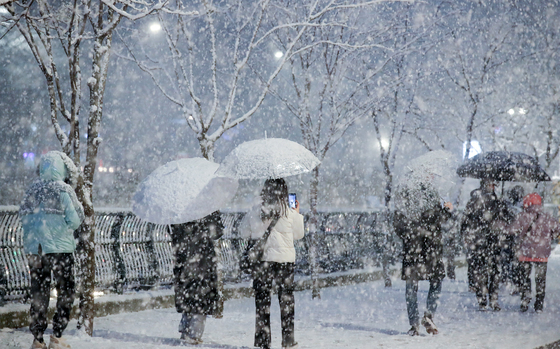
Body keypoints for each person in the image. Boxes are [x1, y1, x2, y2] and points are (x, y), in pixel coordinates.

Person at [19, 151, 84, 349]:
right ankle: (57, 334)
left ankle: (37, 338)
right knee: (65, 290)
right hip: (60, 250)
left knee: (39, 293)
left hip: (36, 250)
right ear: (61, 168)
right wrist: (61, 229)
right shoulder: (63, 190)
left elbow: (23, 218)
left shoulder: (32, 190)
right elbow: (75, 219)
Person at [240, 178, 304, 349]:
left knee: (262, 303)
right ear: (284, 192)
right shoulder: (289, 212)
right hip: (285, 262)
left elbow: (243, 232)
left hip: (263, 262)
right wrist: (296, 212)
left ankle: (263, 341)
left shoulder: (256, 211)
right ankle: (288, 340)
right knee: (287, 301)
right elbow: (299, 234)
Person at [393, 178, 453, 336]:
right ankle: (428, 315)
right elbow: (441, 219)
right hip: (430, 250)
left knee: (411, 289)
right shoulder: (432, 198)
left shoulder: (406, 200)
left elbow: (397, 225)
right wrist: (447, 209)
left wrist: (409, 234)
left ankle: (414, 324)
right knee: (436, 282)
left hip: (412, 250)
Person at [169, 211, 224, 345]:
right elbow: (217, 232)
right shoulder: (207, 207)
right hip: (203, 257)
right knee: (201, 294)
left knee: (187, 291)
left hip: (183, 257)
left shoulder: (179, 209)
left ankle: (185, 327)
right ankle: (194, 333)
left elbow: (173, 231)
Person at [460, 179, 511, 311]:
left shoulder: (489, 201)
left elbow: (465, 220)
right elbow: (466, 220)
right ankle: (488, 299)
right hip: (486, 240)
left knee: (487, 271)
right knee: (488, 271)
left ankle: (486, 299)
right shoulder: (490, 201)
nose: (493, 187)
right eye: (491, 184)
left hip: (485, 240)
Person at [508, 193, 560, 312]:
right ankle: (539, 304)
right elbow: (558, 229)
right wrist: (550, 236)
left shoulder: (522, 216)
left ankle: (525, 301)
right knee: (540, 279)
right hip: (541, 253)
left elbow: (511, 230)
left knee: (524, 278)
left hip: (525, 253)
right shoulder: (547, 217)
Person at [502, 185, 525, 293]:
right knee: (515, 262)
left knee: (508, 261)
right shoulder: (523, 207)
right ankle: (515, 283)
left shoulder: (507, 205)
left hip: (510, 238)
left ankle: (510, 281)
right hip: (516, 239)